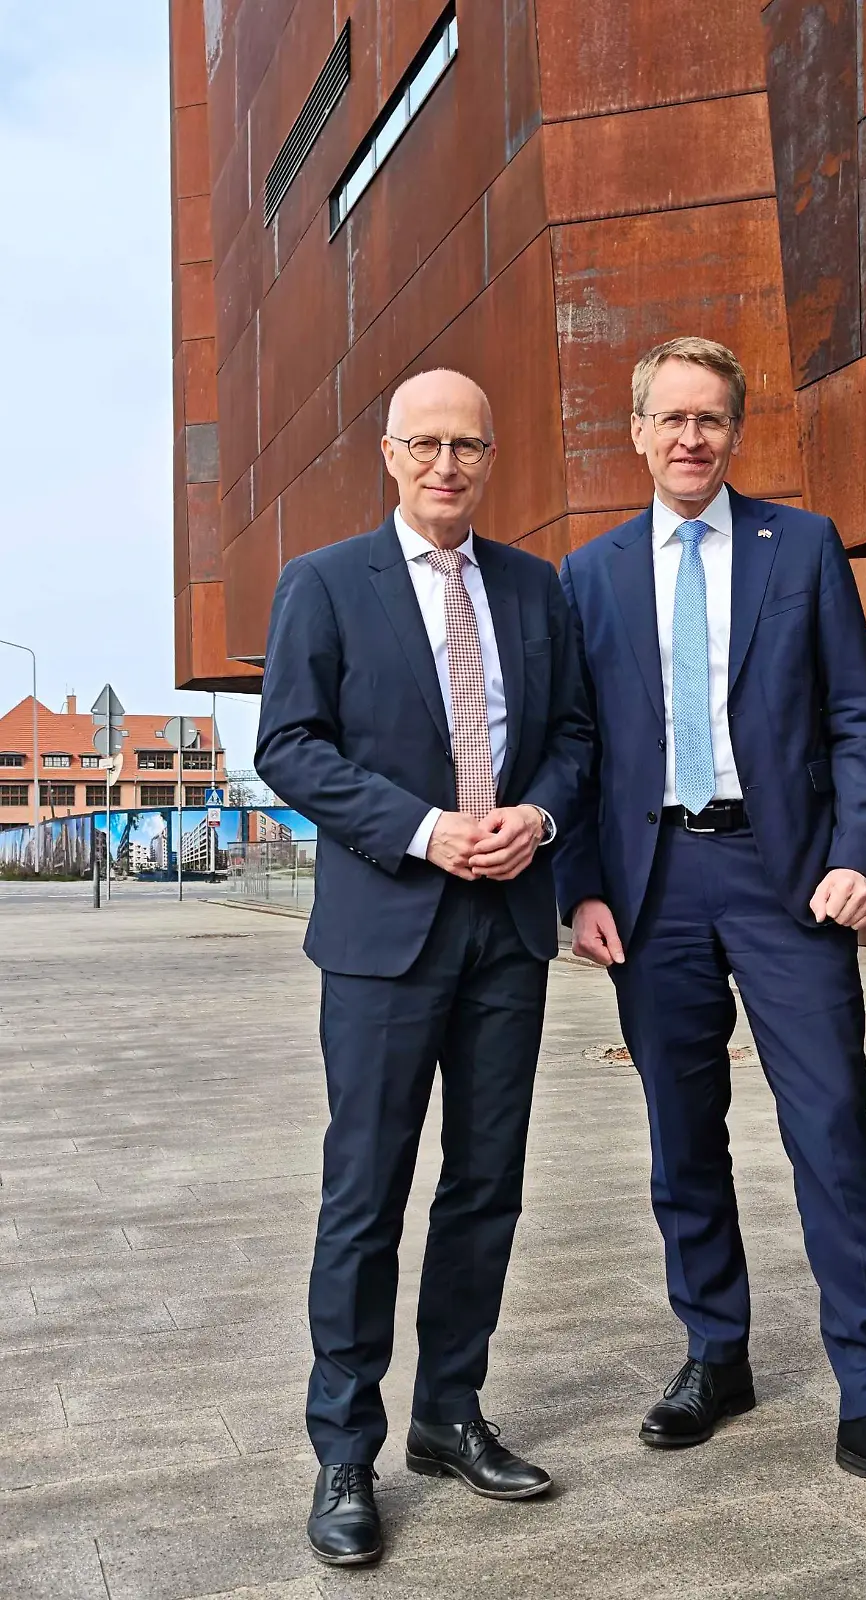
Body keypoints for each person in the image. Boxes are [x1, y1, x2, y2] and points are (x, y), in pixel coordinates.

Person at [553, 337, 866, 1518]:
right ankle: (716, 1353)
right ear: (637, 432)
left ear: (736, 433)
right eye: (671, 417)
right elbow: (576, 748)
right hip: (651, 886)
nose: (690, 437)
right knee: (682, 1135)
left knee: (833, 1127)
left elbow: (855, 717)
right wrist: (578, 887)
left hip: (786, 880)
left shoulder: (802, 546)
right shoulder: (588, 576)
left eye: (711, 419)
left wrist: (856, 855)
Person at [256, 369, 591, 1566]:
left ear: (490, 457)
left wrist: (537, 819)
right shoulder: (324, 583)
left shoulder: (535, 588)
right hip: (386, 933)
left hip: (509, 931)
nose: (448, 464)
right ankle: (345, 1448)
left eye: (469, 446)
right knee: (367, 1192)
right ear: (390, 455)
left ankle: (450, 1413)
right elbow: (288, 744)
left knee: (486, 1183)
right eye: (427, 444)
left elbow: (575, 738)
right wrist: (422, 827)